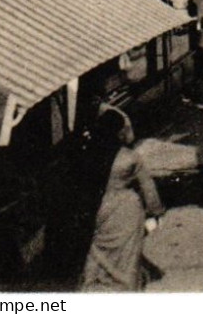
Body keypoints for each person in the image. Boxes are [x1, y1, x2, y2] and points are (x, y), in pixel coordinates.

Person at [79, 107, 163, 292]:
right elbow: (148, 188)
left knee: (98, 251)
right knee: (127, 255)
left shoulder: (90, 155)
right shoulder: (130, 157)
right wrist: (156, 213)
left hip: (100, 207)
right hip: (127, 209)